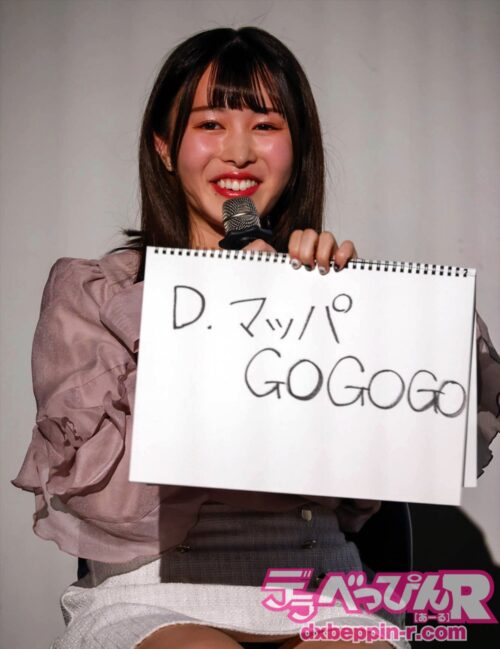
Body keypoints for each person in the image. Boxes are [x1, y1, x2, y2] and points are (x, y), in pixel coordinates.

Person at [12, 26, 499, 649]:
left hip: (321, 589)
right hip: (155, 589)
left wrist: (359, 310)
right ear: (164, 146)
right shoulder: (98, 295)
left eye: (266, 125)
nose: (238, 152)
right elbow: (103, 502)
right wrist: (218, 313)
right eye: (210, 124)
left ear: (297, 148)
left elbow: (450, 408)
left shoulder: (330, 292)